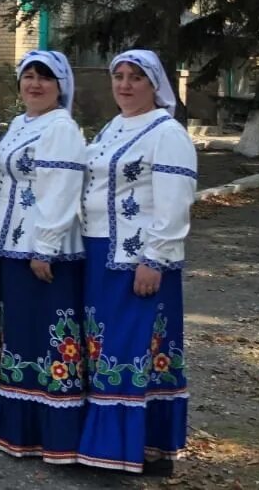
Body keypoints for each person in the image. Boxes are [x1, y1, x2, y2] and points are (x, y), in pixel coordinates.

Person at [76, 49, 195, 475]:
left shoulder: (166, 132)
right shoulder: (113, 127)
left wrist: (156, 258)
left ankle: (126, 451)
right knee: (107, 348)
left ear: (155, 84)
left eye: (135, 78)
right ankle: (122, 445)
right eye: (119, 76)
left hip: (136, 258)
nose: (125, 85)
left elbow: (175, 202)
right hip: (99, 254)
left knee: (131, 350)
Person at [0, 50, 87, 464]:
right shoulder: (20, 124)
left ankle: (56, 435)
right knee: (23, 337)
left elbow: (60, 190)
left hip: (47, 251)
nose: (35, 85)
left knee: (51, 338)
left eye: (45, 78)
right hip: (12, 245)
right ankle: (21, 429)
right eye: (28, 76)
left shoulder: (61, 128)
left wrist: (45, 246)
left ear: (61, 86)